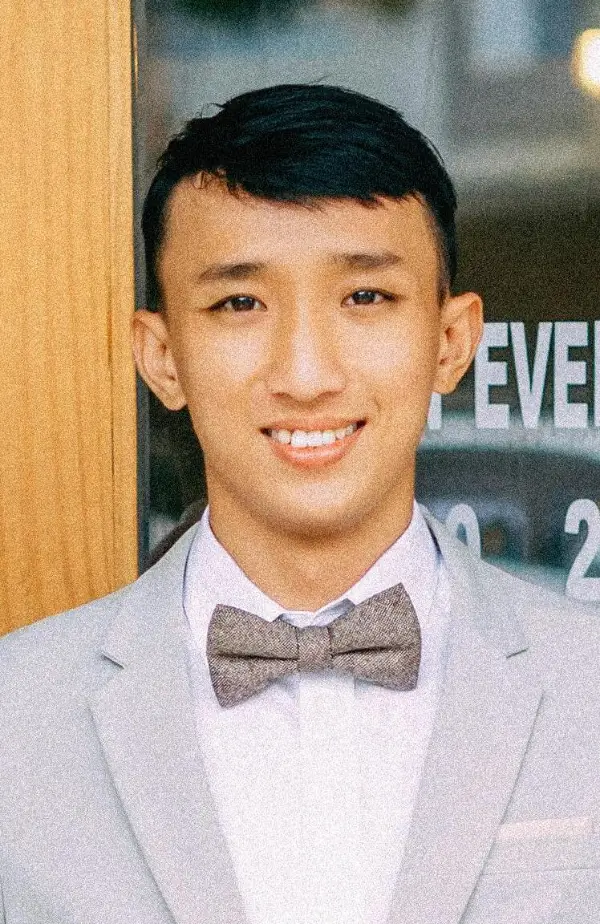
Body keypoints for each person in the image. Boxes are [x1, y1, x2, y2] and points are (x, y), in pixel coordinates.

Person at [0, 83, 598, 924]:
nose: (307, 374)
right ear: (163, 357)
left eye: (365, 298)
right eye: (239, 303)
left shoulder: (588, 684)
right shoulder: (15, 715)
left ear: (450, 341)